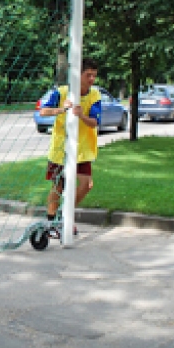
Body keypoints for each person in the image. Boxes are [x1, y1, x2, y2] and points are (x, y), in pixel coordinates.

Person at [37, 58, 102, 234]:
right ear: (77, 75)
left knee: (86, 184)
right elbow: (43, 111)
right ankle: (51, 221)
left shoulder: (95, 95)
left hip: (82, 150)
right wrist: (61, 109)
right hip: (61, 149)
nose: (91, 79)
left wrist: (81, 115)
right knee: (57, 186)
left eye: (94, 76)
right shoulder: (62, 92)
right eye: (88, 75)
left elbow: (95, 122)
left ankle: (65, 214)